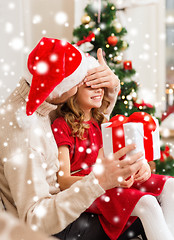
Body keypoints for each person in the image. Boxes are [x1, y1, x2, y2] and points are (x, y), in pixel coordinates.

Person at [0, 37, 145, 240]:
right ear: (62, 88)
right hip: (54, 227)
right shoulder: (25, 135)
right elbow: (34, 220)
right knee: (142, 217)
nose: (82, 81)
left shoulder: (43, 101)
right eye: (78, 81)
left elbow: (86, 124)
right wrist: (98, 182)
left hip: (65, 205)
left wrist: (111, 89)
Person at [52, 53, 174, 240]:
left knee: (171, 185)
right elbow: (63, 181)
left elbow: (118, 160)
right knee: (147, 202)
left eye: (101, 85)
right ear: (73, 88)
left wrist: (141, 169)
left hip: (110, 183)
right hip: (88, 190)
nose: (99, 90)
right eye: (91, 85)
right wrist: (103, 180)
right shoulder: (62, 125)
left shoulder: (102, 123)